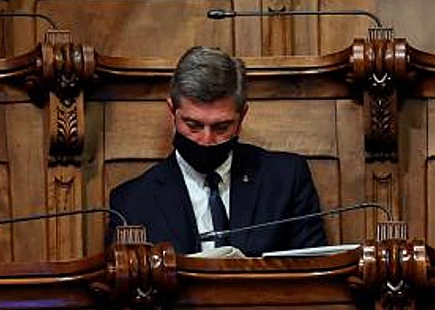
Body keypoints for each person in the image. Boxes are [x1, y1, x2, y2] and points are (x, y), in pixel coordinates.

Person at [109, 46, 327, 256]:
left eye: (221, 127)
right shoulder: (131, 203)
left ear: (242, 117)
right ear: (172, 114)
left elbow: (315, 276)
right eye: (193, 126)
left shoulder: (286, 180)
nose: (206, 140)